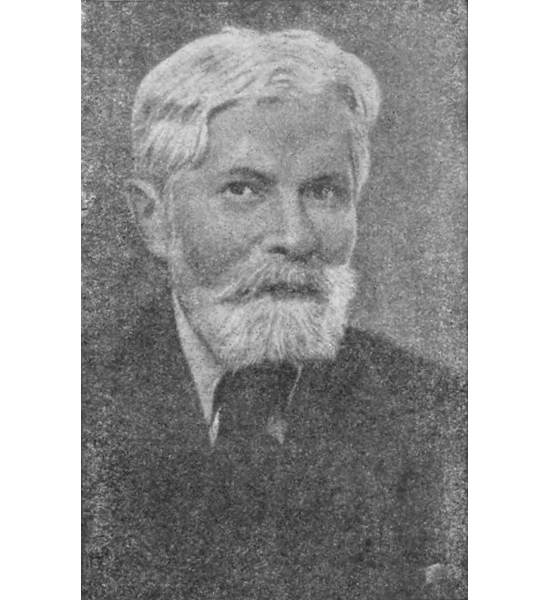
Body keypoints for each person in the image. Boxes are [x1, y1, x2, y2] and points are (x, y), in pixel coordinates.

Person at [82, 27, 466, 599]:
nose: (296, 236)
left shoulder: (442, 417)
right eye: (244, 190)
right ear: (154, 217)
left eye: (325, 191)